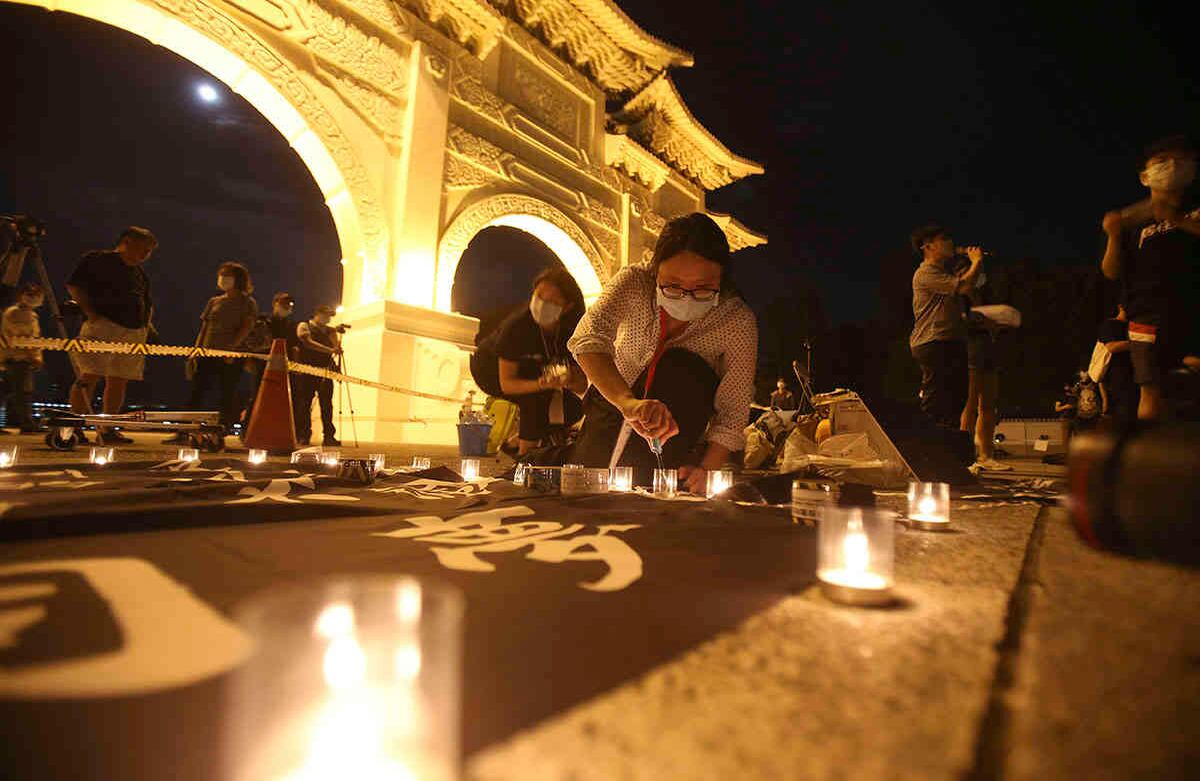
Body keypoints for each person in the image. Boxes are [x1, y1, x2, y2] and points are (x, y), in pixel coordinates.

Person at [565, 212, 758, 493]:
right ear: (655, 270)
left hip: (676, 423)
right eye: (673, 286)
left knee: (648, 500)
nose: (686, 297)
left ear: (722, 280)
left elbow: (734, 407)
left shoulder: (735, 320)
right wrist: (627, 403)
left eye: (703, 289)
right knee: (584, 486)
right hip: (613, 401)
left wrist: (706, 470)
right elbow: (588, 338)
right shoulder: (634, 282)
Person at [1100, 134, 1200, 422]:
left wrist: (1177, 219)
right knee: (1150, 388)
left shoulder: (1194, 207)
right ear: (1145, 176)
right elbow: (1111, 272)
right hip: (1146, 314)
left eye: (1178, 161)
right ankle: (1152, 459)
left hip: (1193, 308)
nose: (1170, 166)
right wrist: (1113, 236)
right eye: (1161, 162)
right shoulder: (1133, 221)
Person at [469, 266, 588, 457]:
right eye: (539, 296)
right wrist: (541, 384)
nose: (542, 304)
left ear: (567, 307)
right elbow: (507, 383)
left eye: (551, 301)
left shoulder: (573, 330)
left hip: (533, 372)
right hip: (490, 369)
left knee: (572, 407)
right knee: (535, 401)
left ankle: (515, 442)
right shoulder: (517, 326)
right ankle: (526, 460)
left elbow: (582, 385)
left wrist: (569, 379)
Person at [65, 226, 157, 444]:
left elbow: (145, 301)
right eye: (142, 249)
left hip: (134, 331)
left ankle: (107, 428)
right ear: (126, 242)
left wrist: (147, 328)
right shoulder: (99, 260)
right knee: (89, 375)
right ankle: (74, 425)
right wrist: (91, 314)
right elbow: (75, 285)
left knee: (119, 379)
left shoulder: (139, 273)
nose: (145, 256)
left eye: (149, 252)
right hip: (104, 325)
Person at [168, 262, 258, 441]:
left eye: (228, 275)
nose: (223, 279)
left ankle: (220, 432)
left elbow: (247, 327)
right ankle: (184, 431)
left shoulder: (247, 302)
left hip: (230, 356)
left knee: (227, 393)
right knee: (198, 391)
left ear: (238, 279)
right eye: (221, 274)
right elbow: (205, 327)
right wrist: (196, 350)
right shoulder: (214, 301)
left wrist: (230, 349)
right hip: (207, 353)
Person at [908, 224, 984, 428]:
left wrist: (972, 269)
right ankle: (926, 449)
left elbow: (972, 287)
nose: (950, 243)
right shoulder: (925, 273)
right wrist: (976, 261)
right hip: (933, 341)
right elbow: (964, 286)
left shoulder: (944, 273)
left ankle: (947, 450)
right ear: (928, 246)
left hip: (948, 340)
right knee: (937, 403)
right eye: (944, 239)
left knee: (956, 401)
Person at [957, 261, 1011, 472]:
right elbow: (967, 321)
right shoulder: (959, 295)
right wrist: (989, 321)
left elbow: (996, 319)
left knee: (988, 406)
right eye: (974, 271)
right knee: (969, 406)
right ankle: (964, 457)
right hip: (970, 352)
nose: (979, 275)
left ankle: (986, 456)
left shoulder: (983, 295)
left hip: (988, 351)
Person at [238, 292, 299, 434]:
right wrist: (249, 360)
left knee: (281, 400)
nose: (287, 308)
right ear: (275, 304)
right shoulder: (263, 320)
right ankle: (247, 430)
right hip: (262, 364)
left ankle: (274, 431)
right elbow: (252, 341)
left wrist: (295, 365)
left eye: (289, 305)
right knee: (257, 396)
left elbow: (294, 346)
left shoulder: (290, 325)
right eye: (283, 304)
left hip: (284, 367)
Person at [293, 304, 342, 446]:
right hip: (307, 370)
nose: (328, 319)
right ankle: (303, 434)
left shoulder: (329, 331)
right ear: (317, 314)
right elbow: (307, 342)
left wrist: (335, 344)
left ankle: (329, 436)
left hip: (325, 371)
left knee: (327, 405)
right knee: (305, 403)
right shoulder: (304, 326)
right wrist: (330, 350)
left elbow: (334, 351)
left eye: (330, 316)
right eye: (326, 315)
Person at [0, 282, 45, 433]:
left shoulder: (29, 314)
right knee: (22, 392)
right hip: (17, 357)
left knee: (9, 390)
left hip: (15, 357)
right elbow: (22, 338)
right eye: (31, 294)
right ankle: (26, 424)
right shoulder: (16, 313)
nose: (34, 298)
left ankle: (26, 422)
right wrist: (33, 356)